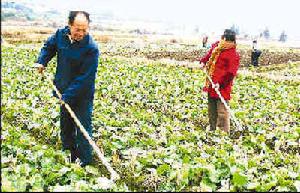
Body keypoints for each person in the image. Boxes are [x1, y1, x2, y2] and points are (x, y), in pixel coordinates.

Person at [35, 11, 100, 167]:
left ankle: (85, 160)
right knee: (66, 125)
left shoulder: (91, 48)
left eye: (85, 30)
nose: (81, 33)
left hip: (82, 94)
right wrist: (42, 61)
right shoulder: (60, 35)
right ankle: (69, 154)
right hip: (62, 89)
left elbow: (85, 79)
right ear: (70, 25)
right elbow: (49, 47)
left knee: (83, 126)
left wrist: (67, 96)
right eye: (78, 29)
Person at [198, 29, 240, 132]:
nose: (222, 40)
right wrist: (203, 61)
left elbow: (231, 73)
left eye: (225, 39)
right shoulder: (217, 46)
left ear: (230, 40)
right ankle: (212, 129)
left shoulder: (232, 54)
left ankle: (223, 133)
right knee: (211, 109)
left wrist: (220, 84)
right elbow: (209, 55)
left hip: (222, 86)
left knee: (222, 111)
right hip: (211, 82)